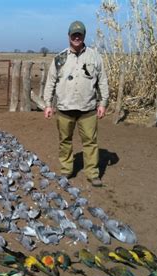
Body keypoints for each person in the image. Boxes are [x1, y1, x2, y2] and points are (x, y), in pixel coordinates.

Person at [43, 21, 109, 187]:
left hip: (88, 109)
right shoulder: (60, 58)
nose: (77, 37)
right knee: (65, 140)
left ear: (84, 36)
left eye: (79, 34)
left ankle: (92, 174)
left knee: (90, 142)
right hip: (65, 108)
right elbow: (50, 82)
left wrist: (103, 103)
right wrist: (48, 104)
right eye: (74, 34)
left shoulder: (94, 57)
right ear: (69, 36)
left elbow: (102, 81)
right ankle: (66, 170)